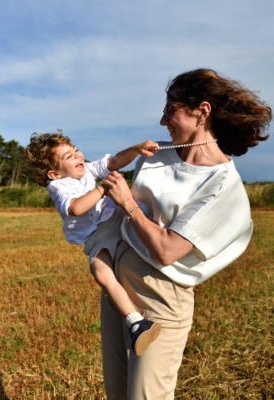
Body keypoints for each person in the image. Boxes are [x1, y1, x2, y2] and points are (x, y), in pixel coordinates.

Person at [100, 68, 271, 399]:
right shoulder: (155, 155)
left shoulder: (224, 185)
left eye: (171, 109)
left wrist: (127, 202)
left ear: (202, 111)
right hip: (119, 285)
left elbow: (168, 250)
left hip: (161, 294)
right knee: (117, 393)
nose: (163, 121)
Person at [24, 131, 161, 355]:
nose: (78, 156)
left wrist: (137, 149)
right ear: (54, 173)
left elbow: (114, 162)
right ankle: (136, 322)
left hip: (117, 219)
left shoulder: (87, 168)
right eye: (68, 156)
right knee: (101, 272)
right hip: (97, 235)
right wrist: (102, 189)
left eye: (75, 149)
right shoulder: (59, 187)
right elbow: (76, 208)